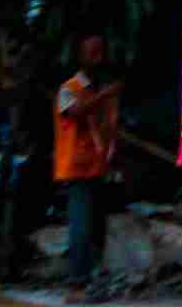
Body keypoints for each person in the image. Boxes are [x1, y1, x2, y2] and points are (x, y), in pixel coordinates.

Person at [46, 34, 130, 291]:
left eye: (100, 52)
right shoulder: (69, 89)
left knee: (96, 228)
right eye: (93, 53)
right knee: (81, 227)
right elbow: (76, 111)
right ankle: (77, 283)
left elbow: (107, 128)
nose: (99, 58)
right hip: (76, 168)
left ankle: (92, 277)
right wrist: (105, 95)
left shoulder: (96, 91)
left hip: (96, 167)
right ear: (80, 58)